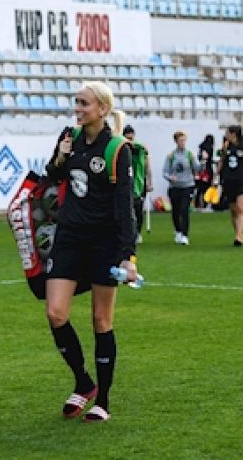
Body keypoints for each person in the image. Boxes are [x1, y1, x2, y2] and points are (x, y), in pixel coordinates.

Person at [43, 81, 136, 423]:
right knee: (55, 312)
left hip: (104, 242)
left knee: (101, 320)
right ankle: (84, 382)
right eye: (76, 102)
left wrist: (128, 254)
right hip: (69, 237)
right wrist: (61, 156)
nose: (78, 108)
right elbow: (52, 176)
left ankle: (104, 401)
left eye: (84, 103)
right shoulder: (69, 137)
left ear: (102, 109)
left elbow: (125, 205)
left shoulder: (117, 149)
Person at [162, 131, 199, 246]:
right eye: (180, 140)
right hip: (175, 187)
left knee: (184, 209)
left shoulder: (189, 155)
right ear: (176, 141)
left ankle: (185, 234)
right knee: (176, 211)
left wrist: (203, 160)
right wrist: (170, 177)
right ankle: (178, 230)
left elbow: (197, 168)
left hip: (187, 185)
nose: (183, 143)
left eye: (184, 140)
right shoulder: (171, 156)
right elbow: (165, 172)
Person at [122, 125, 152, 243]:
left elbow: (147, 166)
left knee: (138, 210)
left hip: (139, 184)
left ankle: (138, 232)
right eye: (127, 138)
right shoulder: (122, 149)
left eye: (131, 137)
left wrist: (149, 181)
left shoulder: (140, 150)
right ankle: (129, 232)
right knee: (127, 210)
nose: (130, 140)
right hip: (126, 184)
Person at [195, 134, 215, 210]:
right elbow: (205, 157)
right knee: (207, 188)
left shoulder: (201, 147)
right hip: (207, 170)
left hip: (200, 170)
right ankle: (206, 204)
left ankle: (198, 203)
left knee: (199, 188)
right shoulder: (209, 148)